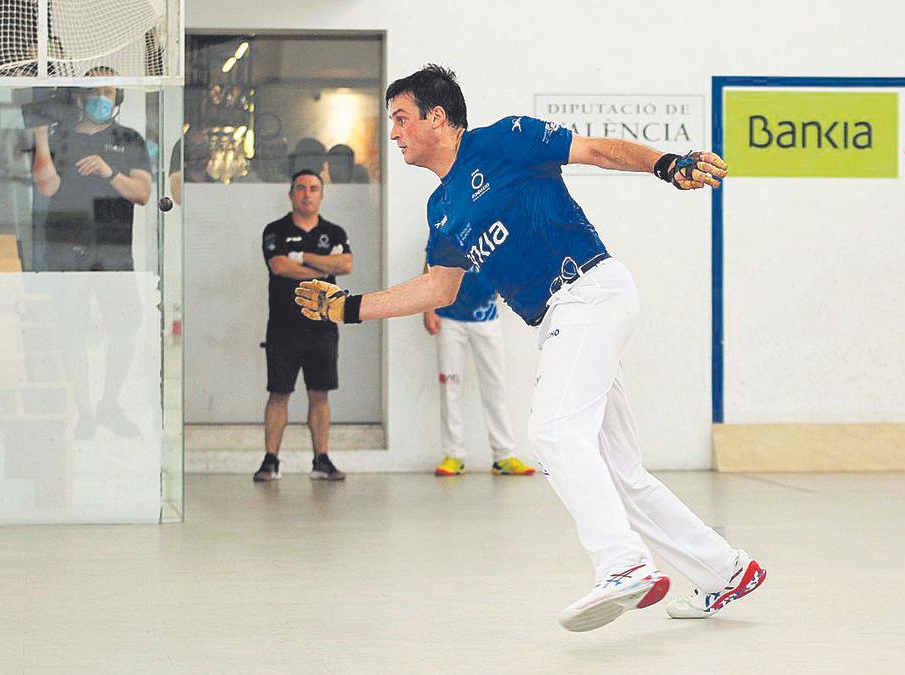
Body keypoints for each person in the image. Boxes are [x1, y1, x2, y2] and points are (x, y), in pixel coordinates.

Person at [293, 65, 765, 632]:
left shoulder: (506, 139)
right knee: (622, 470)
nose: (393, 134)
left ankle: (624, 564)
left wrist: (668, 165)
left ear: (437, 118)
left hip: (590, 289)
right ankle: (726, 570)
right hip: (564, 316)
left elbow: (597, 152)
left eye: (401, 119)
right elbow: (439, 288)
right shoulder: (441, 209)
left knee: (553, 433)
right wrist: (349, 306)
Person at [30, 67, 152, 438]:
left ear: (118, 99)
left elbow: (143, 194)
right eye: (94, 90)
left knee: (124, 330)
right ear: (81, 95)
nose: (101, 96)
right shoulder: (60, 137)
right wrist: (39, 135)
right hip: (66, 249)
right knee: (71, 332)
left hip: (113, 249)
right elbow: (46, 186)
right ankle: (84, 410)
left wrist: (108, 172)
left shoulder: (129, 139)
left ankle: (109, 404)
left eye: (109, 91)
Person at [253, 168, 352, 482]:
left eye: (313, 188)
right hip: (283, 328)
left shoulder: (334, 232)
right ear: (291, 194)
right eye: (300, 188)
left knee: (319, 395)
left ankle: (321, 460)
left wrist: (304, 257)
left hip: (323, 326)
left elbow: (346, 264)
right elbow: (279, 266)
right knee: (279, 394)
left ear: (321, 195)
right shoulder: (275, 230)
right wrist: (323, 265)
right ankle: (270, 461)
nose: (307, 194)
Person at [423, 266, 534, 477]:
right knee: (450, 389)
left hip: (487, 318)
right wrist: (428, 310)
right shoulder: (441, 232)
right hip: (448, 319)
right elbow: (429, 270)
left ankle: (504, 456)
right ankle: (454, 456)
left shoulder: (495, 231)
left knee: (496, 388)